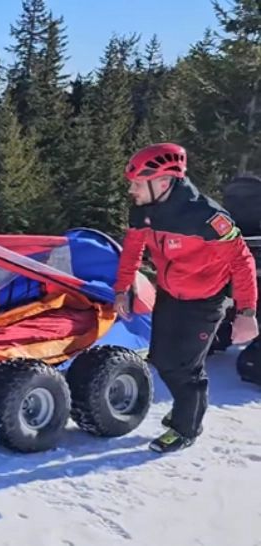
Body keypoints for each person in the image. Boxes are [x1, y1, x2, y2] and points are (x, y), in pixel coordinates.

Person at [113, 142, 258, 453]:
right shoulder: (143, 210)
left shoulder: (207, 218)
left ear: (163, 182)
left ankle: (186, 427)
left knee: (185, 368)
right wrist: (123, 287)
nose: (132, 191)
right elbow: (133, 248)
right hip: (169, 294)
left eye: (138, 184)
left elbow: (242, 261)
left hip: (205, 302)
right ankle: (185, 409)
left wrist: (246, 312)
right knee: (162, 359)